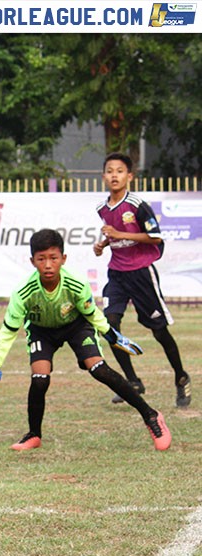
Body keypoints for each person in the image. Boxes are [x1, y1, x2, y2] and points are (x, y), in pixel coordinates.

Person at [0, 228, 170, 452]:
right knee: (39, 379)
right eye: (41, 259)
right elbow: (8, 331)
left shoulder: (76, 283)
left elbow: (92, 314)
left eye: (53, 258)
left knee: (98, 369)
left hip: (76, 326)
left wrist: (110, 334)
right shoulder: (23, 292)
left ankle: (151, 415)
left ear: (63, 259)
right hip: (42, 331)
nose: (48, 265)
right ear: (32, 261)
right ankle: (34, 435)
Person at [93, 152, 190, 407]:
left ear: (129, 176)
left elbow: (155, 236)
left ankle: (181, 377)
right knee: (109, 326)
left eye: (120, 171)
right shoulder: (102, 208)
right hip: (117, 273)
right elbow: (114, 234)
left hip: (141, 273)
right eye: (110, 171)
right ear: (104, 177)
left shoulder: (137, 204)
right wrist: (103, 244)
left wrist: (117, 233)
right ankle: (132, 380)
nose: (114, 175)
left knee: (159, 331)